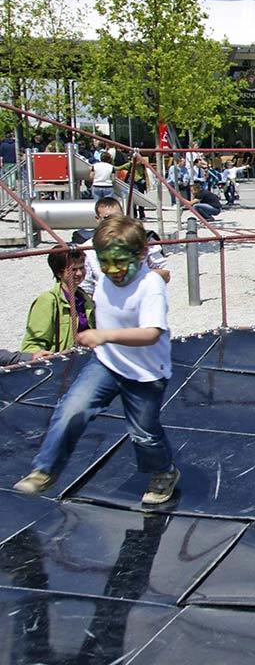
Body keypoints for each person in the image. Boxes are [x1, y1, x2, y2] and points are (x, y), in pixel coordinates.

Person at [14, 215, 180, 505]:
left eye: (119, 261)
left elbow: (152, 333)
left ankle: (164, 471)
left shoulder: (149, 285)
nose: (113, 270)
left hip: (145, 373)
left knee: (143, 433)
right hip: (107, 363)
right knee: (71, 409)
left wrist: (103, 335)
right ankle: (45, 469)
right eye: (104, 262)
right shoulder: (106, 272)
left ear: (141, 255)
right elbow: (87, 247)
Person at [79, 197, 170, 295]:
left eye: (117, 216)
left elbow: (165, 272)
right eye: (107, 217)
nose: (113, 221)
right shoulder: (88, 248)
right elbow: (86, 287)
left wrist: (137, 278)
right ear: (98, 219)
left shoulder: (142, 240)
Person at [23, 247, 96, 354]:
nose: (79, 273)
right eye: (73, 270)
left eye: (82, 268)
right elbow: (32, 344)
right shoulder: (48, 301)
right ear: (59, 273)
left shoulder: (85, 299)